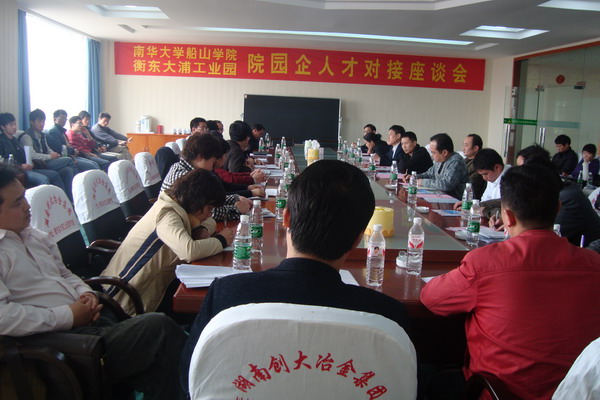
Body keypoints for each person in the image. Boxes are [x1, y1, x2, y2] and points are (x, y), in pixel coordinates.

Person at [179, 160, 411, 394]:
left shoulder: (226, 296)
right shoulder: (388, 316)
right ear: (358, 239)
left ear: (286, 217)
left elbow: (191, 382)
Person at [0, 164, 187, 400]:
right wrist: (68, 315)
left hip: (90, 319)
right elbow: (3, 317)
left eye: (25, 198)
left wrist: (85, 292)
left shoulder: (35, 236)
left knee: (158, 365)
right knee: (157, 329)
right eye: (17, 203)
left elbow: (64, 274)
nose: (27, 206)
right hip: (57, 343)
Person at [421, 161, 600, 399]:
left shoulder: (484, 263)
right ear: (558, 208)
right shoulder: (594, 264)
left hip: (498, 393)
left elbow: (431, 298)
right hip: (574, 393)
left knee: (428, 377)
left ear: (507, 216)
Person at [102, 168, 233, 314]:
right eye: (209, 208)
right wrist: (221, 240)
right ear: (197, 201)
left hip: (157, 287)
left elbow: (211, 221)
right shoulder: (167, 214)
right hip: (125, 299)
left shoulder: (180, 209)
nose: (209, 213)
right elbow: (188, 251)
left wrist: (200, 229)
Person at [490, 145, 600, 247]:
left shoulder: (568, 197)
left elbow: (540, 239)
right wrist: (505, 218)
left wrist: (512, 223)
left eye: (521, 169)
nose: (518, 174)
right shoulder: (544, 190)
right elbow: (508, 202)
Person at [161, 133, 252, 222]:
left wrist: (235, 198)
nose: (211, 168)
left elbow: (208, 199)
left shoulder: (185, 168)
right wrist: (236, 209)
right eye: (212, 162)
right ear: (200, 157)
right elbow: (207, 213)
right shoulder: (185, 177)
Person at [18, 109, 76, 199]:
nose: (42, 124)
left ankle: (69, 198)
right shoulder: (26, 136)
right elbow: (32, 155)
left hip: (46, 162)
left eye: (43, 121)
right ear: (32, 122)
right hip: (37, 164)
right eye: (39, 121)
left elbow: (47, 149)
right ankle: (75, 194)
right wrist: (50, 156)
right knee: (69, 160)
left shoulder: (42, 135)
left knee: (67, 170)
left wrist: (54, 154)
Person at [0, 112, 63, 190]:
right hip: (15, 171)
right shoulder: (1, 141)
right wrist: (20, 165)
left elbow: (24, 155)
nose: (14, 127)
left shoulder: (15, 140)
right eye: (11, 125)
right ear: (3, 127)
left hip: (27, 168)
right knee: (43, 179)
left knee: (55, 174)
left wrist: (30, 162)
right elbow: (3, 161)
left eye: (15, 124)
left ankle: (60, 197)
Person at [413, 133, 468, 200]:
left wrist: (422, 182)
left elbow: (446, 185)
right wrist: (414, 177)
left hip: (455, 201)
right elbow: (429, 174)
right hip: (440, 197)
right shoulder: (440, 159)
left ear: (444, 152)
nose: (432, 155)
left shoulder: (456, 162)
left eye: (433, 153)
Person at [462, 133, 486, 199]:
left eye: (466, 145)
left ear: (475, 148)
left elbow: (470, 186)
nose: (463, 148)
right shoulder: (465, 160)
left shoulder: (479, 164)